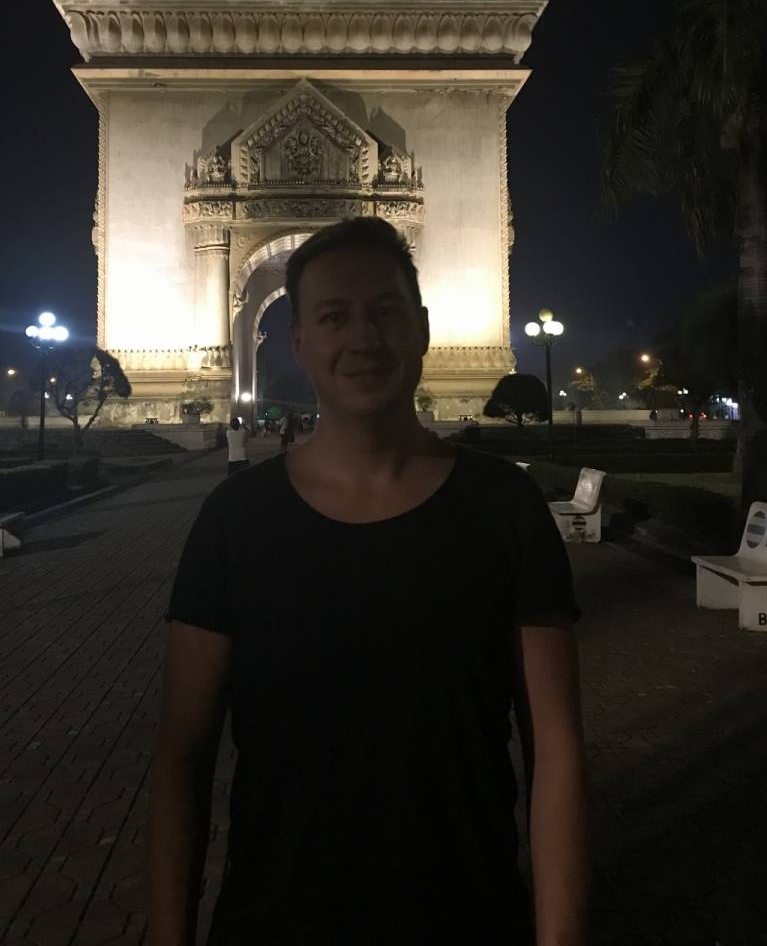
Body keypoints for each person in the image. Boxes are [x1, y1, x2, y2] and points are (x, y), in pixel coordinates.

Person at [147, 216, 588, 946]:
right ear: (298, 342)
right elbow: (181, 755)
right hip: (273, 922)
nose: (363, 338)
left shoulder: (506, 509)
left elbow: (558, 751)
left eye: (385, 312)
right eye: (333, 317)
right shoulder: (234, 519)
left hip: (469, 919)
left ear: (422, 328)